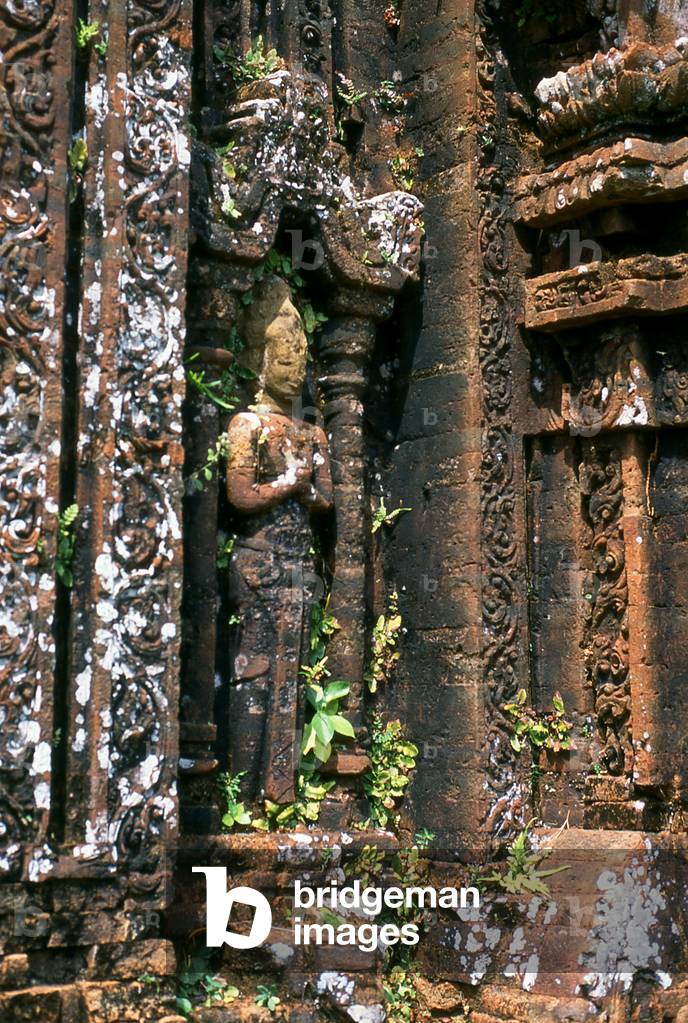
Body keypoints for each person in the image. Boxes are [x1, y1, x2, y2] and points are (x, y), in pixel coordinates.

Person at [225, 276, 333, 803]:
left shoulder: (312, 433)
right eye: (285, 358)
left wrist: (306, 488)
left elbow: (326, 499)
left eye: (301, 360)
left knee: (291, 672)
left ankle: (280, 787)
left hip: (297, 566)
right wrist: (289, 484)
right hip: (258, 564)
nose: (296, 369)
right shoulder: (246, 426)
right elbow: (240, 495)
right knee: (255, 670)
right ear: (261, 361)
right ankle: (241, 789)